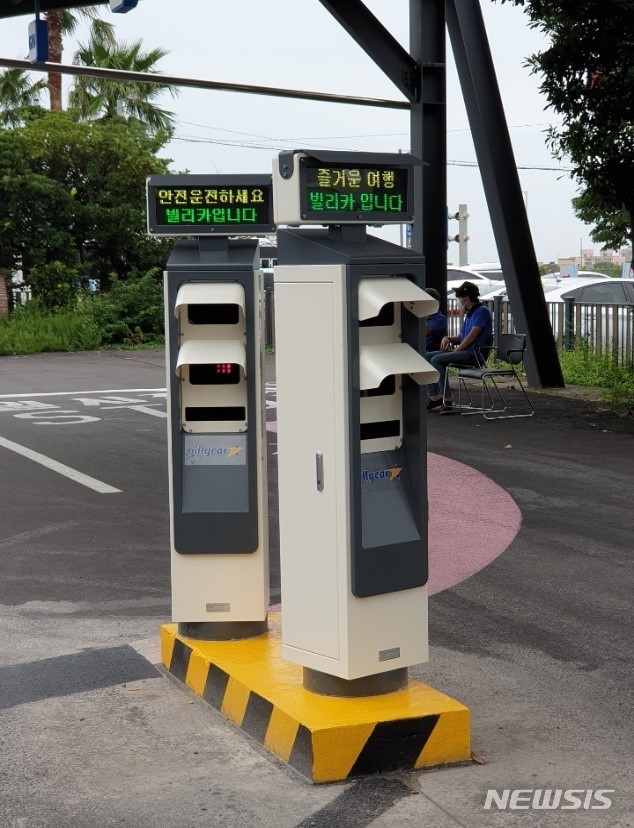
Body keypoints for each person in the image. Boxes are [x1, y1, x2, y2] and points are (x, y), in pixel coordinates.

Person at [425, 280, 493, 414]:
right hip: (466, 353)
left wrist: (456, 350)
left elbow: (471, 337)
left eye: (459, 298)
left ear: (466, 299)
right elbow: (461, 337)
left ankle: (447, 400)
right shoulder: (470, 314)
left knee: (436, 360)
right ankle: (435, 397)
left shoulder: (482, 311)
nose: (458, 301)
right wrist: (448, 338)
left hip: (474, 355)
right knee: (425, 358)